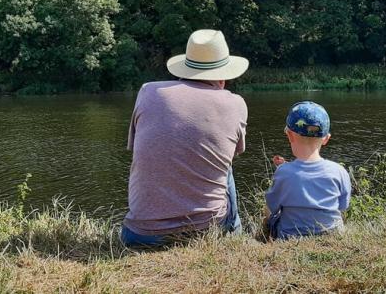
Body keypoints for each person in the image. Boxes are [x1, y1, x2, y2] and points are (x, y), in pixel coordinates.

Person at [121, 29, 249, 247]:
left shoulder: (148, 91)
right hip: (207, 230)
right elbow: (231, 156)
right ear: (224, 75)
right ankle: (236, 236)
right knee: (224, 165)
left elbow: (139, 150)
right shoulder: (235, 103)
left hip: (139, 236)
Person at [265, 101, 351, 239]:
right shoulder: (339, 171)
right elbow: (343, 206)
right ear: (326, 139)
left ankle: (266, 238)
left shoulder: (283, 171)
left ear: (290, 135)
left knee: (271, 215)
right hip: (332, 235)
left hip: (290, 237)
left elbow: (272, 206)